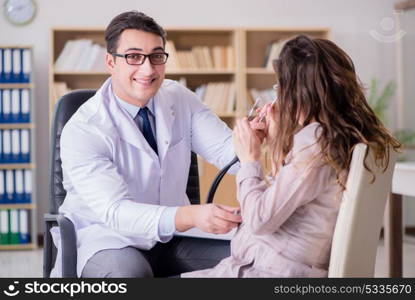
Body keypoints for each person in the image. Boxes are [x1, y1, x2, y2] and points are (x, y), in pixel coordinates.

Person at [181, 35, 401, 277]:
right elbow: (292, 201)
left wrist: (249, 159)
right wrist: (278, 146)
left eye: (280, 86)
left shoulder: (315, 140)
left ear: (296, 90)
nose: (279, 96)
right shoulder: (343, 138)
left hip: (266, 272)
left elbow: (260, 220)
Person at [50, 10, 243, 278]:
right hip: (110, 239)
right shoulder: (85, 128)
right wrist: (193, 215)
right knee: (127, 274)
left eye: (156, 55)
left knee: (255, 256)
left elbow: (228, 153)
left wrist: (257, 138)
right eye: (133, 56)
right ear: (110, 61)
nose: (148, 68)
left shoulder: (178, 97)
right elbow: (117, 212)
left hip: (173, 237)